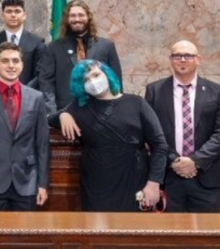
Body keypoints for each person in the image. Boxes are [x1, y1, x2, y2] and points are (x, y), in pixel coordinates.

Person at [51, 59, 167, 212]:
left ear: (108, 74)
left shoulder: (136, 103)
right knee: (97, 230)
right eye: (86, 80)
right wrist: (63, 115)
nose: (93, 81)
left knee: (135, 231)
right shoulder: (80, 107)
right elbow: (47, 117)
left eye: (96, 75)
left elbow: (160, 145)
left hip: (134, 176)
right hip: (96, 181)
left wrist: (154, 182)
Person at [0, 42, 50, 211]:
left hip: (27, 182)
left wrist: (42, 183)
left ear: (22, 65)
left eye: (15, 61)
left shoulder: (36, 97)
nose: (11, 65)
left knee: (25, 236)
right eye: (5, 61)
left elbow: (42, 145)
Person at [145, 40, 220, 213]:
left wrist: (195, 161)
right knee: (170, 236)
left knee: (208, 236)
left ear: (198, 59)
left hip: (207, 178)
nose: (183, 59)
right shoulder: (154, 91)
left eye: (188, 55)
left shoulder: (216, 91)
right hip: (170, 177)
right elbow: (151, 133)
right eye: (177, 55)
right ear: (171, 60)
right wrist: (174, 161)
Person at [39, 0, 122, 113]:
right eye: (72, 16)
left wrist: (116, 110)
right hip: (66, 113)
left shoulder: (106, 46)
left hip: (101, 111)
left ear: (88, 17)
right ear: (67, 20)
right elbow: (46, 83)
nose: (77, 19)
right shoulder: (53, 48)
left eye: (81, 15)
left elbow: (116, 81)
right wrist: (52, 114)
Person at [0, 0, 46, 89]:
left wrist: (23, 91)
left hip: (28, 97)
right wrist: (0, 90)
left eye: (17, 11)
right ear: (2, 15)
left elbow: (40, 74)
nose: (13, 15)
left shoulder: (37, 42)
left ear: (24, 15)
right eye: (9, 11)